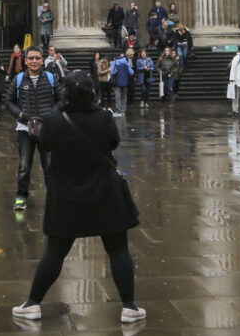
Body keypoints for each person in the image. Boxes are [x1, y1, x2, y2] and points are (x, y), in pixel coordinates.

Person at [11, 73, 144, 323]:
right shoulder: (104, 117)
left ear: (66, 94)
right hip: (105, 192)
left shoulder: (54, 120)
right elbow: (113, 143)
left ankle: (32, 303)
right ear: (92, 93)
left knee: (55, 251)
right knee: (117, 249)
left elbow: (46, 144)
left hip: (67, 194)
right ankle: (129, 307)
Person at [6, 48, 59, 210]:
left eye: (37, 58)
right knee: (24, 165)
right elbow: (8, 101)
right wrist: (20, 114)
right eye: (31, 58)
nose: (34, 61)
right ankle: (21, 197)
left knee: (49, 165)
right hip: (25, 128)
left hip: (46, 128)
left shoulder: (50, 78)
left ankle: (54, 197)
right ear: (25, 61)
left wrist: (51, 114)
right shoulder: (19, 79)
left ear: (42, 60)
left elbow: (61, 100)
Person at [110, 48, 134, 116]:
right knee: (124, 96)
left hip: (117, 81)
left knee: (117, 96)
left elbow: (112, 72)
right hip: (125, 81)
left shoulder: (115, 62)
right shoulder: (126, 63)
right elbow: (131, 72)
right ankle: (123, 110)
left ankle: (118, 110)